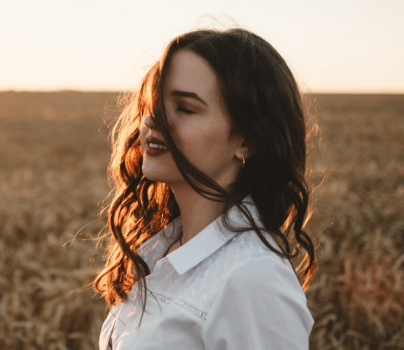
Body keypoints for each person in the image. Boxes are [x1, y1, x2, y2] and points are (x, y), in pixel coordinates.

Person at [94, 28, 317, 349]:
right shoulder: (161, 250)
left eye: (185, 108)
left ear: (247, 140)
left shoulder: (254, 281)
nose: (153, 119)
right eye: (153, 103)